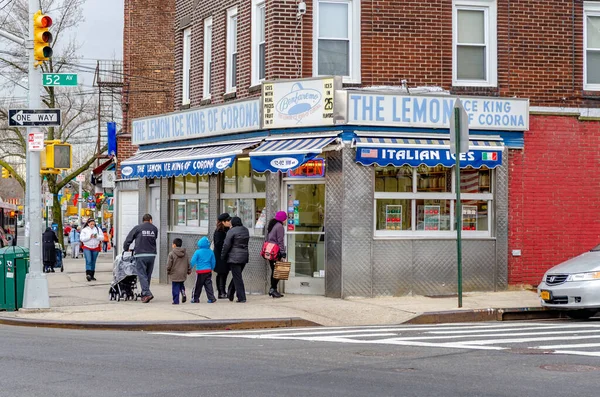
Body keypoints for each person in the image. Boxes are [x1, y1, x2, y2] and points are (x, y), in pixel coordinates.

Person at [123, 214, 158, 303]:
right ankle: (145, 294)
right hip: (151, 255)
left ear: (143, 220)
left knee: (142, 275)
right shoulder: (154, 228)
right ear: (150, 220)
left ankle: (147, 293)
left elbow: (128, 239)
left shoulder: (138, 228)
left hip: (140, 254)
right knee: (147, 275)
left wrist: (126, 248)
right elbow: (155, 238)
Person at [221, 216, 250, 303]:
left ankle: (241, 297)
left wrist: (223, 255)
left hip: (234, 257)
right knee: (237, 275)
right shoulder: (245, 230)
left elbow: (226, 245)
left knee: (237, 277)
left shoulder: (231, 231)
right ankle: (231, 291)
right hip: (244, 256)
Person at [265, 211, 288, 298]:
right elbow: (280, 241)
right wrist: (283, 253)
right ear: (283, 219)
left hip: (270, 251)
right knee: (278, 271)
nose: (286, 220)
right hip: (276, 251)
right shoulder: (279, 226)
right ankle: (273, 289)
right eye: (285, 218)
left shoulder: (272, 224)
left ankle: (273, 289)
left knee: (274, 270)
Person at [190, 236, 217, 303]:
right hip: (208, 271)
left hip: (200, 272)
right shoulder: (211, 252)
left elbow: (193, 261)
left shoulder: (197, 252)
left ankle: (195, 298)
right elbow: (213, 261)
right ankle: (211, 298)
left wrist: (189, 268)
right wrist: (212, 268)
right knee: (208, 285)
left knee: (197, 286)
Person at [166, 238, 191, 305]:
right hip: (183, 273)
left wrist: (168, 270)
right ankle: (183, 293)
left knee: (175, 287)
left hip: (174, 273)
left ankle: (176, 301)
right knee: (181, 284)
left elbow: (169, 264)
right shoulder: (185, 253)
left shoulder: (171, 254)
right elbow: (188, 263)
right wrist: (189, 270)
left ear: (174, 245)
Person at [213, 212, 232, 299]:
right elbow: (218, 244)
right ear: (223, 222)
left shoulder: (228, 230)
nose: (229, 222)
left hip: (225, 255)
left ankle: (223, 291)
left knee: (225, 273)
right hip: (220, 256)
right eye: (228, 220)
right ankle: (221, 292)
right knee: (221, 273)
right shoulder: (218, 232)